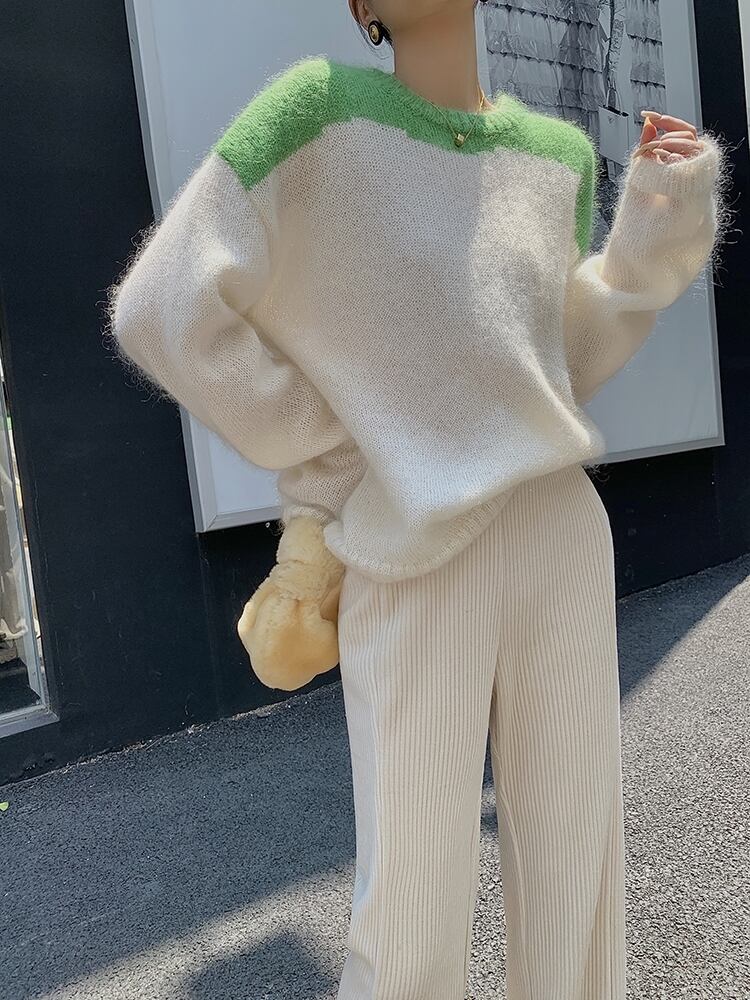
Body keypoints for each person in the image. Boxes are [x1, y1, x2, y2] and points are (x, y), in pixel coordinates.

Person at [104, 1, 730, 996]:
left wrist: (658, 222)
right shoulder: (315, 114)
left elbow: (550, 368)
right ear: (363, 9)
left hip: (559, 530)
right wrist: (337, 438)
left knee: (577, 870)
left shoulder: (557, 156)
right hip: (410, 549)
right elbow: (161, 308)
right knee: (410, 904)